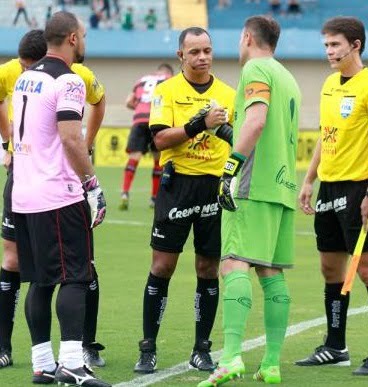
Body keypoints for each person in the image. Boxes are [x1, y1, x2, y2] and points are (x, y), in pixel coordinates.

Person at [199, 15, 301, 386]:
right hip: (282, 186)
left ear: (246, 37)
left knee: (232, 263)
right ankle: (271, 364)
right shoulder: (287, 76)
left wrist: (229, 169)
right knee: (270, 271)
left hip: (253, 185)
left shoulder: (256, 67)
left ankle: (230, 358)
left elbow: (256, 123)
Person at [11, 12, 110, 386]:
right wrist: (92, 184)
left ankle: (42, 363)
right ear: (71, 38)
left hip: (24, 194)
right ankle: (71, 361)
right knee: (76, 276)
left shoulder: (26, 77)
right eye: (83, 35)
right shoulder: (68, 80)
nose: (84, 41)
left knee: (39, 280)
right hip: (58, 193)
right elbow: (71, 137)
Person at [133, 26, 236, 374]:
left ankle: (201, 349)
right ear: (181, 55)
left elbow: (238, 141)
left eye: (207, 50)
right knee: (162, 266)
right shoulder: (166, 91)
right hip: (177, 186)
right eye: (194, 52)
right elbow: (160, 140)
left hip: (213, 187)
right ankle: (148, 348)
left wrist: (226, 133)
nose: (202, 57)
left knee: (208, 268)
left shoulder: (228, 93)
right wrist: (199, 125)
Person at [295, 16, 368, 376]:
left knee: (366, 270)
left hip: (360, 188)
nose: (329, 52)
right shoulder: (328, 84)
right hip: (329, 186)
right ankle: (335, 346)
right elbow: (327, 137)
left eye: (335, 45)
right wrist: (309, 180)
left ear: (356, 45)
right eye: (326, 45)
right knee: (330, 269)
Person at [119, 63, 174, 210]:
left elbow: (129, 102)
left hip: (139, 120)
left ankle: (125, 193)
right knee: (158, 159)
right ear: (168, 72)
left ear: (157, 71)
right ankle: (154, 198)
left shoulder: (141, 80)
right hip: (156, 120)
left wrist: (139, 107)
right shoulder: (170, 79)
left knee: (134, 158)